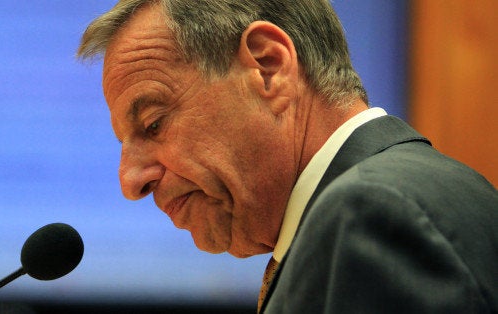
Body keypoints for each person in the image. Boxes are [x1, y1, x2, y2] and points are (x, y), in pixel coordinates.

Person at [77, 0, 498, 312]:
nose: (131, 181)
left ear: (268, 66)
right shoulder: (407, 192)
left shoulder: (373, 214)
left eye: (154, 124)